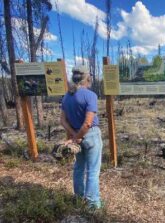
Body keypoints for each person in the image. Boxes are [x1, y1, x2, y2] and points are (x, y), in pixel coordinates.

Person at [60, 65, 103, 209]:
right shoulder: (90, 95)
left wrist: (74, 135)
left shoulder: (66, 97)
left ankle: (78, 199)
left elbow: (62, 121)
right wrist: (78, 137)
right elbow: (88, 123)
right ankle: (92, 205)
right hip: (90, 136)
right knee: (92, 171)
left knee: (79, 168)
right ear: (87, 78)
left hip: (77, 135)